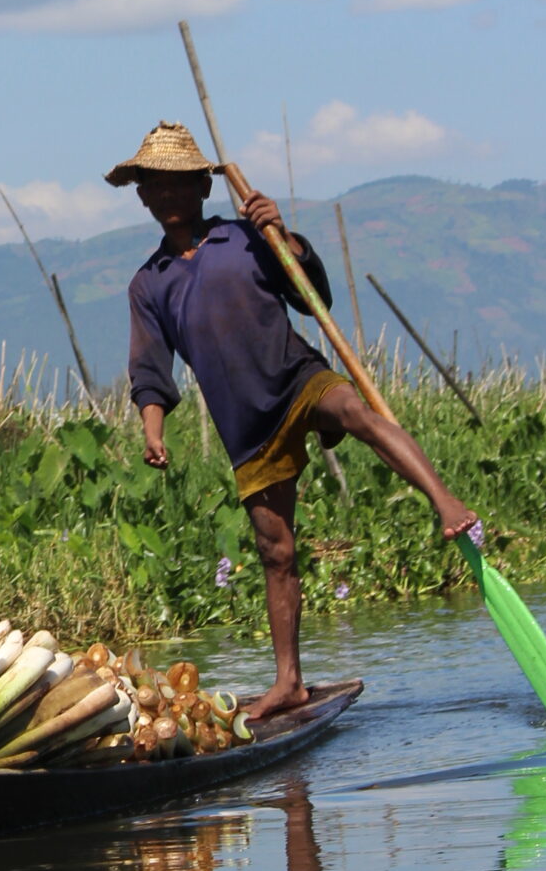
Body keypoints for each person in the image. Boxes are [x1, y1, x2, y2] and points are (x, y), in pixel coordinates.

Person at [108, 119, 475, 718]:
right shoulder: (149, 284)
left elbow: (310, 295)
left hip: (296, 378)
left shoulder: (244, 238)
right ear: (143, 195)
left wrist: (284, 237)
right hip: (245, 424)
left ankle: (445, 503)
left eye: (180, 185)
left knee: (355, 409)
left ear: (203, 189)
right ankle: (289, 682)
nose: (169, 196)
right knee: (275, 550)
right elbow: (150, 369)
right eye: (156, 186)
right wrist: (153, 429)